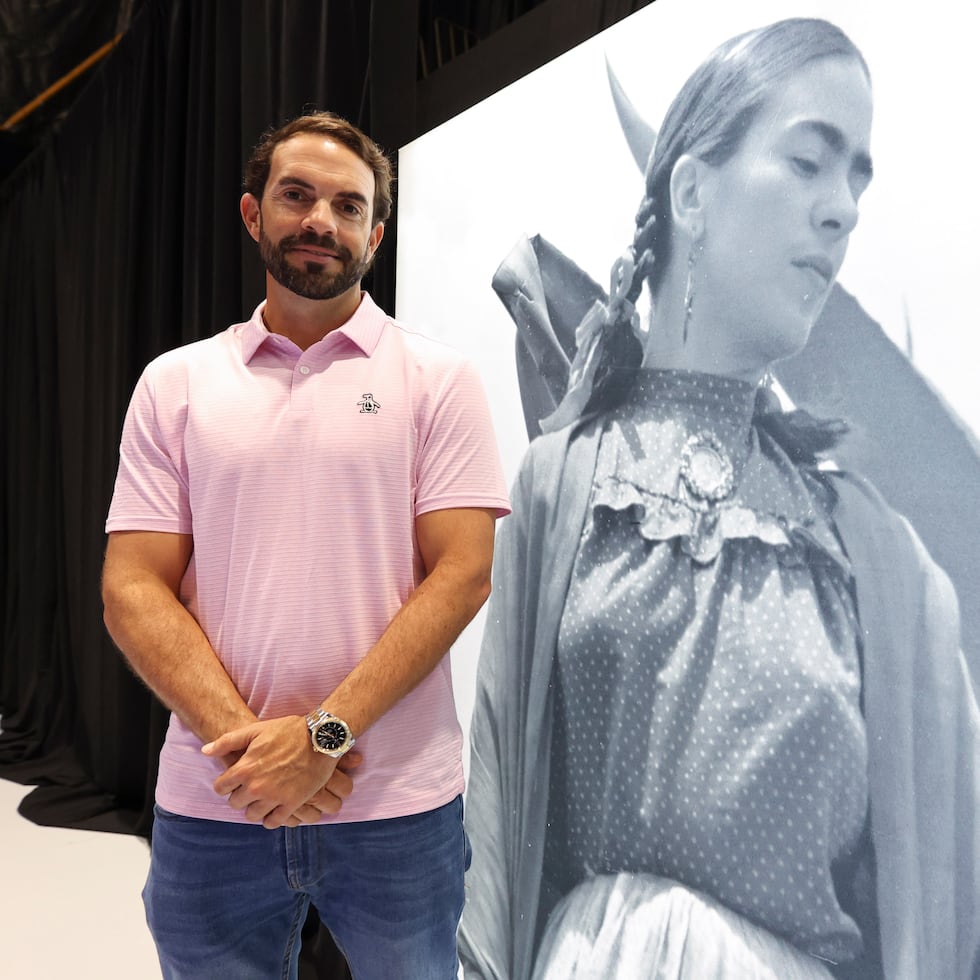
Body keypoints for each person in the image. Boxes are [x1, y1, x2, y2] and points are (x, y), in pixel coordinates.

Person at [458, 18, 980, 980]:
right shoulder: (563, 484)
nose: (843, 211)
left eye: (857, 177)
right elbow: (492, 833)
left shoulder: (876, 558)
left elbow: (941, 898)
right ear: (693, 193)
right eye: (810, 162)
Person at [102, 111, 510, 980]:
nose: (321, 220)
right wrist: (259, 755)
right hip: (218, 801)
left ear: (376, 233)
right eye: (297, 196)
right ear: (254, 215)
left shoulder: (438, 380)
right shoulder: (175, 384)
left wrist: (322, 738)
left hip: (398, 809)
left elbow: (464, 574)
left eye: (348, 205)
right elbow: (132, 586)